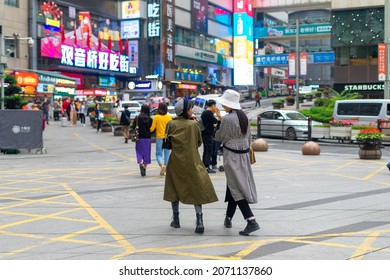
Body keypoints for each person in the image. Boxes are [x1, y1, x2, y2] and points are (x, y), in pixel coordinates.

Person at [164, 99, 218, 234]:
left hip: (175, 161)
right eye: (191, 108)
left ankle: (176, 219)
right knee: (197, 188)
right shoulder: (194, 125)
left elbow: (167, 143)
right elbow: (199, 143)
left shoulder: (171, 124)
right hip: (192, 160)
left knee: (173, 189)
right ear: (186, 110)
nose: (192, 110)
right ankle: (199, 220)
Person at [214, 89, 260, 236]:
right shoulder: (244, 117)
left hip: (232, 156)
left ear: (229, 104)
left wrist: (217, 128)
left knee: (236, 187)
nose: (223, 106)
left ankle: (251, 220)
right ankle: (228, 217)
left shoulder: (227, 119)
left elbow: (219, 137)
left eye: (224, 104)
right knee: (234, 185)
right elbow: (249, 138)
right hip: (244, 156)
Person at [150, 102, 173, 176]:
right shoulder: (169, 117)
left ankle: (162, 165)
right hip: (167, 137)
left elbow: (152, 129)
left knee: (159, 153)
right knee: (167, 154)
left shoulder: (156, 117)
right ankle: (166, 169)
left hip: (159, 137)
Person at [200, 99, 221, 173]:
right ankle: (206, 167)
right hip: (208, 134)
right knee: (209, 150)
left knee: (206, 150)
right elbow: (216, 121)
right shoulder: (208, 113)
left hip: (206, 134)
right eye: (215, 106)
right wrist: (218, 114)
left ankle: (204, 166)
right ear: (212, 106)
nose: (215, 107)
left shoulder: (205, 112)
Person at [132, 105, 152, 176]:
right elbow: (151, 128)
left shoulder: (137, 118)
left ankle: (141, 162)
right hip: (147, 138)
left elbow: (133, 126)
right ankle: (144, 168)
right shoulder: (150, 119)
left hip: (139, 137)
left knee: (139, 151)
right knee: (147, 153)